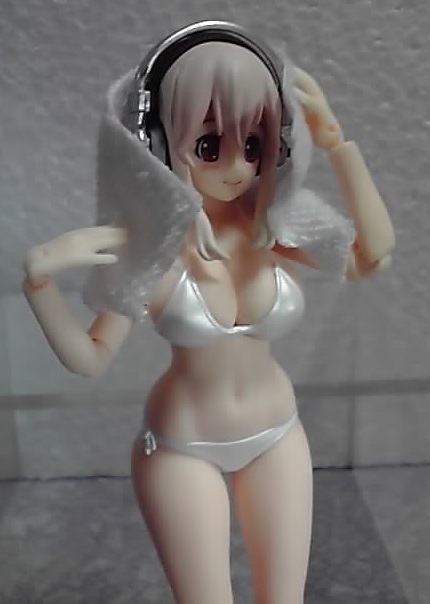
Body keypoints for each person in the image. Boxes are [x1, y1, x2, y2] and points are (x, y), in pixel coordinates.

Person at [23, 21, 394, 604]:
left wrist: (337, 144)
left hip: (277, 433)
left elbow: (373, 256)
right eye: (208, 145)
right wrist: (39, 284)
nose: (237, 166)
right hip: (181, 446)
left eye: (255, 144)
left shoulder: (278, 230)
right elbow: (90, 358)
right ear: (155, 142)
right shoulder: (153, 249)